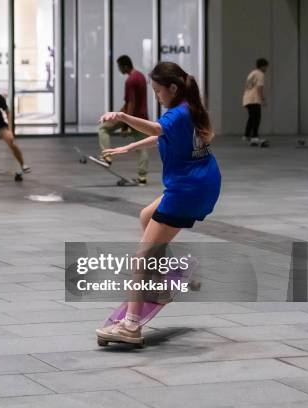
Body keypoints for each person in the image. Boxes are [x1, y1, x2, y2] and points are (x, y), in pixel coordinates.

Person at [95, 61, 221, 344]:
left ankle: (130, 326)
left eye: (158, 91)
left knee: (141, 257)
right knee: (145, 216)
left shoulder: (176, 114)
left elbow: (156, 128)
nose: (156, 95)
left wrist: (122, 116)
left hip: (187, 189)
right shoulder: (188, 108)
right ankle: (168, 279)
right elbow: (161, 136)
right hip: (201, 181)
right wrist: (130, 146)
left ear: (172, 88)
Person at [97, 55, 149, 186]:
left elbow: (131, 103)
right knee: (142, 146)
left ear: (125, 66)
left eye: (119, 66)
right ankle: (142, 177)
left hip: (131, 116)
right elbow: (131, 103)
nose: (119, 69)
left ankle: (107, 157)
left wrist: (126, 124)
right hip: (142, 117)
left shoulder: (130, 81)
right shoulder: (141, 76)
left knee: (103, 128)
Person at [242, 58, 268, 146]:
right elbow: (259, 87)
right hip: (254, 99)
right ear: (263, 66)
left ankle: (246, 135)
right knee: (257, 118)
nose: (266, 69)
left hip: (247, 98)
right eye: (266, 67)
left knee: (251, 117)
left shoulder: (252, 73)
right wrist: (263, 99)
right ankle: (254, 136)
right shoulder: (260, 74)